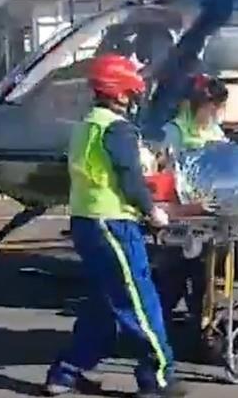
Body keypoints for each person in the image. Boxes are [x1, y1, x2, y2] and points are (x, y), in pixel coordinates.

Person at [44, 53, 188, 398]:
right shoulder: (117, 128)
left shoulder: (86, 124)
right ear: (121, 93)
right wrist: (152, 211)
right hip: (113, 224)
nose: (136, 99)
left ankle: (65, 373)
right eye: (133, 92)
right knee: (139, 302)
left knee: (105, 302)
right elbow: (130, 178)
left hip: (86, 221)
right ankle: (157, 378)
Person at [154, 74, 229, 343]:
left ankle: (202, 328)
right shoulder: (174, 131)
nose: (217, 112)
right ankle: (154, 329)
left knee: (204, 276)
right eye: (214, 106)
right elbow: (164, 172)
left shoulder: (215, 132)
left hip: (205, 214)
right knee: (174, 274)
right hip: (180, 214)